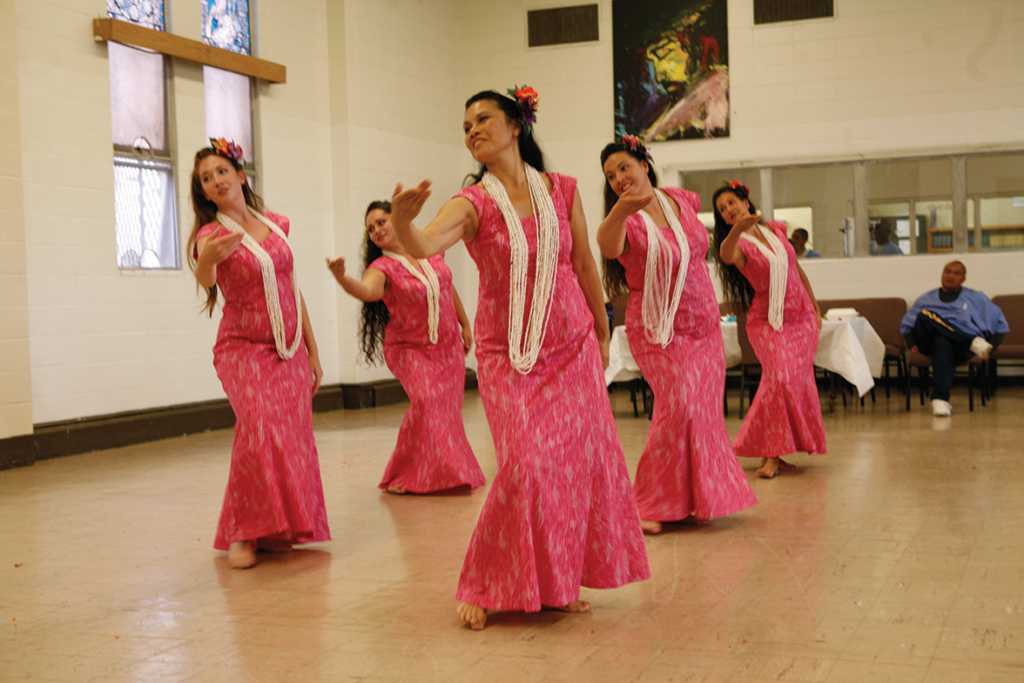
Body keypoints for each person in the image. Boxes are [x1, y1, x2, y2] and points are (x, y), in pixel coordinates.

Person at [389, 87, 649, 629]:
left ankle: (558, 581)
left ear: (515, 125)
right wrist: (402, 221)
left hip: (573, 344)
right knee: (525, 464)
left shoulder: (561, 189)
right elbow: (425, 243)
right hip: (508, 355)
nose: (473, 130)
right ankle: (486, 581)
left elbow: (582, 263)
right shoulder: (472, 202)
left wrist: (603, 330)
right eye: (465, 126)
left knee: (574, 467)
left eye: (483, 119)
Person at [596, 136, 756, 534]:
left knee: (703, 413)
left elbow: (703, 239)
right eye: (611, 175)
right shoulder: (623, 220)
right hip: (657, 329)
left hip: (704, 323)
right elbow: (609, 245)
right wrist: (617, 213)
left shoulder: (681, 199)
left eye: (624, 168)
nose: (618, 178)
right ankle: (648, 501)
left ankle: (692, 499)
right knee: (678, 406)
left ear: (644, 165)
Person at [187, 138, 330, 569]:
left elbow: (290, 286)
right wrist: (204, 261)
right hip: (243, 349)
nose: (215, 182)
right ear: (205, 193)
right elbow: (207, 279)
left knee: (291, 437)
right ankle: (242, 533)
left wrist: (312, 348)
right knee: (259, 428)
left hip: (289, 349)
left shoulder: (277, 223)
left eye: (221, 172)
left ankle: (274, 528)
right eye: (206, 180)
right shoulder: (210, 236)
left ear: (240, 175)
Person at [325, 200, 485, 494]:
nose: (376, 230)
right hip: (409, 347)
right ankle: (412, 473)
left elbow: (445, 287)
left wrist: (464, 324)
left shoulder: (428, 246)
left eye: (381, 222)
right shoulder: (382, 266)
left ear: (397, 219)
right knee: (426, 403)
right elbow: (367, 291)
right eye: (370, 228)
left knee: (447, 409)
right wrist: (342, 278)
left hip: (447, 344)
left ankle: (440, 471)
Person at [713, 181, 827, 479]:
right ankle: (772, 453)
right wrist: (737, 229)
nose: (728, 211)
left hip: (801, 318)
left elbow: (795, 269)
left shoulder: (775, 231)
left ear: (745, 202)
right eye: (722, 210)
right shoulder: (735, 244)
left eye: (731, 203)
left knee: (792, 384)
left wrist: (814, 304)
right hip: (767, 321)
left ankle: (774, 452)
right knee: (780, 378)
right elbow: (726, 255)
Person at [900, 260, 1008, 416]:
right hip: (928, 343)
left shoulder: (975, 297)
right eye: (948, 272)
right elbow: (907, 325)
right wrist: (911, 343)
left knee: (943, 341)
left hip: (959, 349)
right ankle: (972, 342)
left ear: (963, 279)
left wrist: (992, 347)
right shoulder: (926, 298)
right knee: (925, 315)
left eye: (957, 274)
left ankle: (940, 400)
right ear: (942, 275)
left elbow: (1000, 324)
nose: (951, 276)